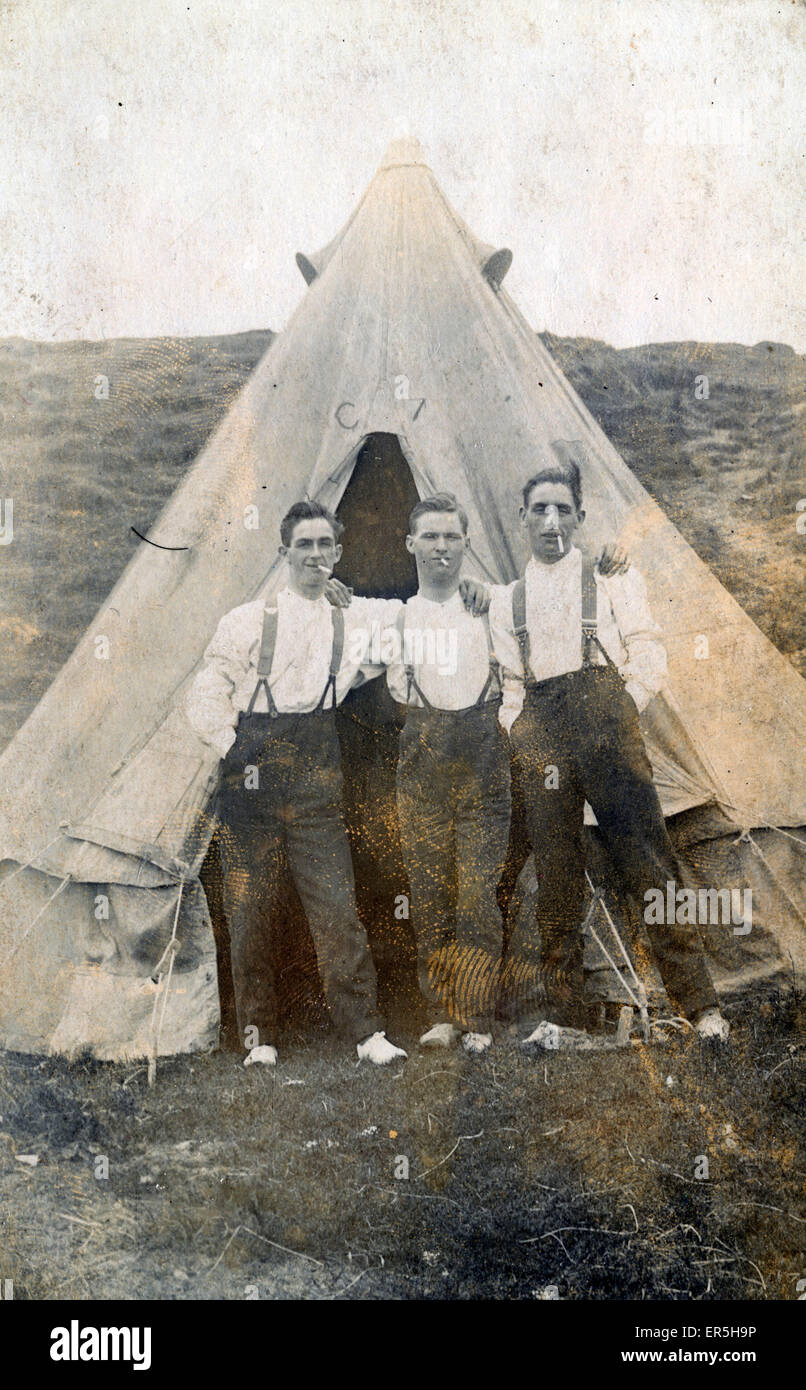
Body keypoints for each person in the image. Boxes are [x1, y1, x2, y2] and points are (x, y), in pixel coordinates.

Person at [489, 454, 730, 1045]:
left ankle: (703, 1009)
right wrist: (521, 733)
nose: (550, 522)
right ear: (522, 517)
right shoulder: (505, 601)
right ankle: (565, 1018)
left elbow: (649, 653)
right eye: (539, 510)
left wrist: (623, 713)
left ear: (580, 517)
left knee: (650, 863)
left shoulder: (613, 576)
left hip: (609, 728)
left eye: (562, 511)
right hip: (542, 737)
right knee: (557, 875)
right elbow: (510, 687)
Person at [185, 500, 410, 1068]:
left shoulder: (352, 616)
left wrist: (353, 599)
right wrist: (233, 749)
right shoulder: (245, 620)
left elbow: (419, 617)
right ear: (283, 553)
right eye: (303, 545)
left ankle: (365, 1033)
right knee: (252, 907)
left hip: (315, 770)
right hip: (253, 772)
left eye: (324, 546)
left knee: (335, 904)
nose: (314, 555)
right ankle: (259, 1035)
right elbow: (206, 694)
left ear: (337, 552)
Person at [386, 494, 512, 1055]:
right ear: (411, 544)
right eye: (430, 537)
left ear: (467, 544)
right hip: (423, 764)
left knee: (476, 894)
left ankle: (477, 1017)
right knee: (430, 892)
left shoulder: (493, 606)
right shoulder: (395, 616)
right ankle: (440, 1014)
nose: (441, 547)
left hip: (482, 762)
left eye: (451, 537)